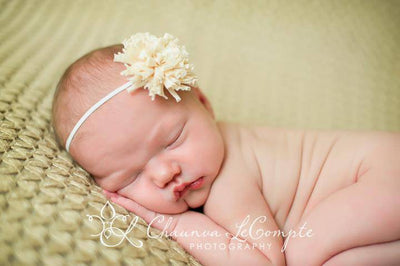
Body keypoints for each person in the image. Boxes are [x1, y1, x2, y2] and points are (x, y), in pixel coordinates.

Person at [52, 33, 400, 266]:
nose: (164, 173)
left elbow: (263, 262)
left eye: (172, 140)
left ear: (205, 104)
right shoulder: (209, 154)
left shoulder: (228, 181)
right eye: (131, 176)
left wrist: (173, 224)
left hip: (380, 171)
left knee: (304, 254)